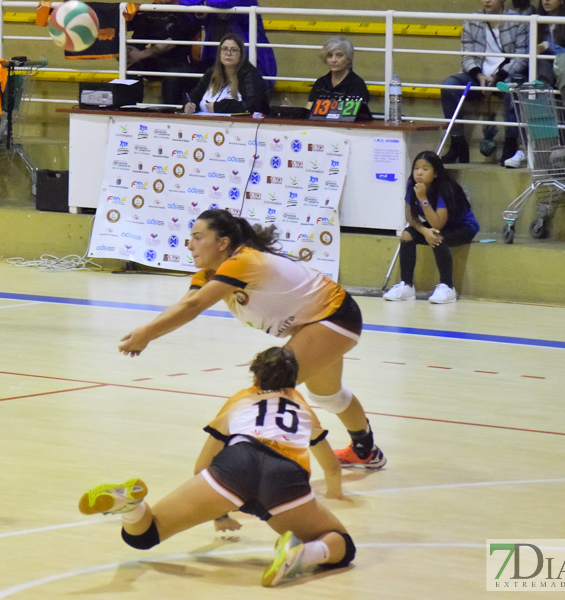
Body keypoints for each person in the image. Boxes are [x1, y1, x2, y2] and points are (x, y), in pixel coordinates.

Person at [119, 209, 386, 468]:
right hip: (315, 321)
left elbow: (193, 307)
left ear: (223, 242)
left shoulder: (243, 261)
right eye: (191, 237)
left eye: (198, 237)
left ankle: (243, 469)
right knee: (329, 397)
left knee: (269, 388)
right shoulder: (212, 273)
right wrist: (147, 331)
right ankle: (365, 450)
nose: (190, 244)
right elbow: (185, 304)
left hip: (334, 317)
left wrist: (147, 335)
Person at [79, 346, 354, 587]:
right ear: (294, 380)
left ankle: (130, 506)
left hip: (237, 464)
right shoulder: (303, 407)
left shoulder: (240, 400)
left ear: (255, 376)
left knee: (144, 536)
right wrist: (335, 493)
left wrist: (218, 511)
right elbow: (331, 467)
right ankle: (301, 554)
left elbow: (202, 465)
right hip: (286, 477)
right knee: (342, 543)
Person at [438, 0, 529, 165]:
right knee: (449, 86)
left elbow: (521, 58)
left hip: (505, 75)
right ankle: (457, 142)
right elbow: (466, 56)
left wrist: (497, 77)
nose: (486, 0)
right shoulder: (472, 20)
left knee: (512, 89)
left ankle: (510, 143)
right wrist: (479, 75)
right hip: (477, 76)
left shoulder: (518, 20)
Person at [383, 151, 479, 305]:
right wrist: (424, 231)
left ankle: (448, 287)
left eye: (425, 169)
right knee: (407, 235)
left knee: (436, 236)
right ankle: (407, 286)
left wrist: (423, 199)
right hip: (438, 225)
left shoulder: (445, 189)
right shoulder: (412, 185)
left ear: (435, 173)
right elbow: (410, 216)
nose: (419, 172)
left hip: (463, 226)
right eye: (416, 168)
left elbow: (437, 224)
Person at [124, 0, 202, 106]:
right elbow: (138, 40)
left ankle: (168, 114)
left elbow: (172, 42)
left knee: (172, 77)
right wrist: (129, 54)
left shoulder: (186, 10)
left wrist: (141, 55)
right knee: (132, 67)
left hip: (180, 62)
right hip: (156, 61)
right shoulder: (151, 10)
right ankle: (129, 109)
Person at [178, 0, 276, 83]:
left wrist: (205, 3)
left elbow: (225, 2)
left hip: (252, 62)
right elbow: (184, 2)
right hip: (216, 61)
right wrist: (201, 5)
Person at [183, 34, 270, 115]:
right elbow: (193, 96)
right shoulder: (211, 73)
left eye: (234, 50)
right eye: (224, 49)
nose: (228, 53)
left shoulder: (250, 75)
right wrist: (189, 105)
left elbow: (252, 106)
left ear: (241, 54)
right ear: (219, 53)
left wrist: (219, 107)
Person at [306, 36, 370, 111]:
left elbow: (352, 115)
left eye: (339, 55)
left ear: (349, 59)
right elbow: (308, 111)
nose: (333, 60)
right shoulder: (320, 83)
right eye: (330, 56)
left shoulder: (357, 84)